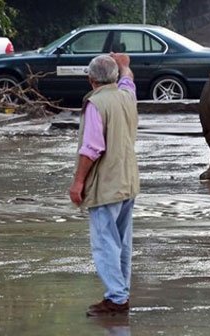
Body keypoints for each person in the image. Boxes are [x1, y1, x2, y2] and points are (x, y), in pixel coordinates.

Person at [69, 53, 139, 317]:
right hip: (128, 180)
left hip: (107, 184)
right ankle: (120, 293)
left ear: (91, 80)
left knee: (105, 242)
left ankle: (117, 298)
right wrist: (124, 65)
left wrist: (78, 182)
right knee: (121, 241)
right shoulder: (126, 95)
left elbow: (91, 149)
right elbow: (128, 80)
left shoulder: (96, 104)